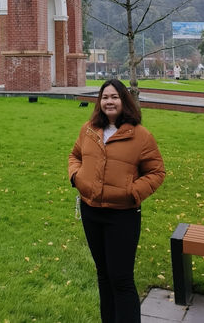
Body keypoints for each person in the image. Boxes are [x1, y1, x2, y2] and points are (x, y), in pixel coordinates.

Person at [68, 78, 165, 323]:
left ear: (124, 101)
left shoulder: (141, 136)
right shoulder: (89, 129)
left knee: (121, 278)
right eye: (105, 97)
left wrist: (132, 192)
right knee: (103, 275)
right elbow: (74, 155)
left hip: (122, 215)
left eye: (114, 97)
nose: (109, 102)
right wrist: (77, 177)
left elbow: (156, 172)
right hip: (92, 212)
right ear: (99, 102)